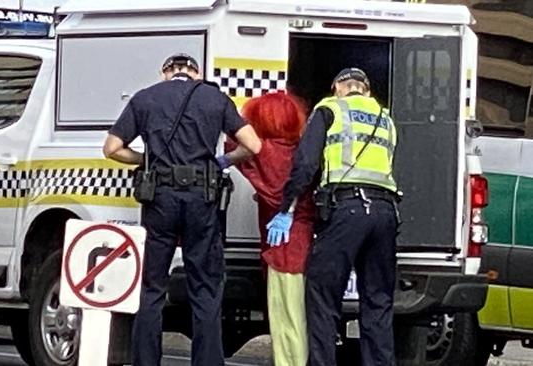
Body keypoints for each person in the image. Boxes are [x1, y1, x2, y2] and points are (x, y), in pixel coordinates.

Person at [103, 53, 261, 366]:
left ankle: (146, 361)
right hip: (201, 199)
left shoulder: (145, 98)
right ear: (195, 73)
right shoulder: (214, 98)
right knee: (205, 286)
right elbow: (253, 145)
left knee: (152, 287)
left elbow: (111, 148)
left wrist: (145, 161)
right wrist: (224, 161)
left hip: (159, 198)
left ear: (165, 73)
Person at [266, 67, 400, 366]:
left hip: (347, 209)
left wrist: (286, 208)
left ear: (337, 87)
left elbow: (305, 163)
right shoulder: (386, 118)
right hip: (385, 212)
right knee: (378, 301)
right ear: (366, 89)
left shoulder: (330, 109)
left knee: (323, 296)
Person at [223, 92, 315, 366]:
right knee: (301, 314)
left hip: (281, 247)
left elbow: (232, 143)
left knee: (284, 315)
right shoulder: (302, 150)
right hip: (305, 241)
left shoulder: (264, 152)